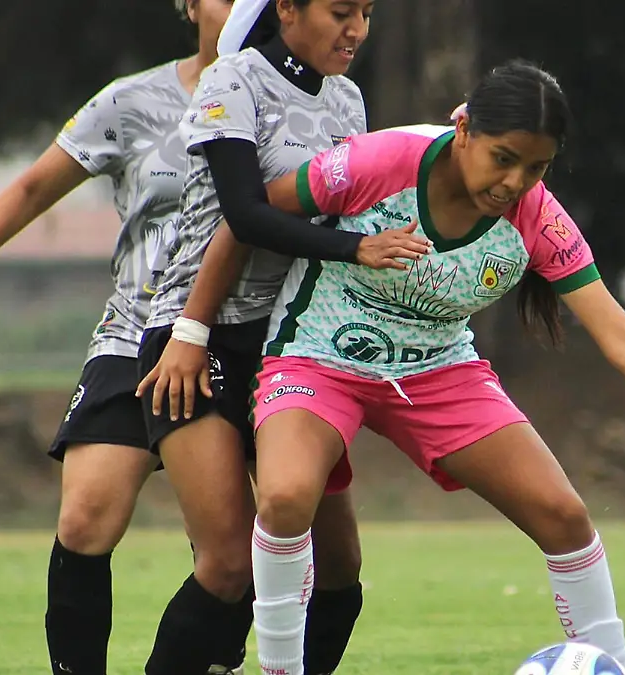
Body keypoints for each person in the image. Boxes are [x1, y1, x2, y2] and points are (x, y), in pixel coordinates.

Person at [162, 59, 625, 675]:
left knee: (565, 516)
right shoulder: (383, 162)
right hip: (318, 354)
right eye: (503, 158)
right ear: (464, 130)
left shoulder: (538, 218)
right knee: (285, 496)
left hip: (440, 370)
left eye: (536, 167)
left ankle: (611, 668)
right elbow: (247, 220)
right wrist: (190, 331)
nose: (515, 182)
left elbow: (620, 335)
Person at [0, 3, 269, 674]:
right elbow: (34, 185)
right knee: (85, 518)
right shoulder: (132, 101)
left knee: (230, 553)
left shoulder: (290, 101)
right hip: (137, 334)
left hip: (241, 343)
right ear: (188, 5)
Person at [135, 1, 430, 674]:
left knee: (340, 566)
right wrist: (357, 249)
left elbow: (351, 210)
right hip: (196, 337)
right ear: (288, 9)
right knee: (228, 562)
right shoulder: (233, 79)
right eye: (340, 10)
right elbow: (245, 213)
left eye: (367, 12)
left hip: (289, 346)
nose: (356, 30)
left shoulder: (347, 99)